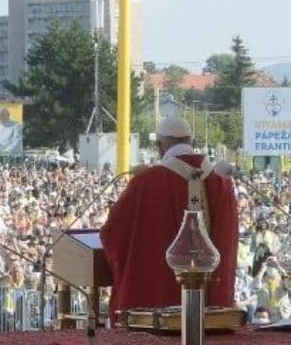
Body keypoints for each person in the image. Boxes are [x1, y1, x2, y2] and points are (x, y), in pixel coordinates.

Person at [100, 115, 239, 320]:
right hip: (212, 307)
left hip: (160, 302)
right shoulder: (222, 182)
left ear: (159, 146)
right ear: (191, 141)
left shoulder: (146, 182)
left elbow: (114, 234)